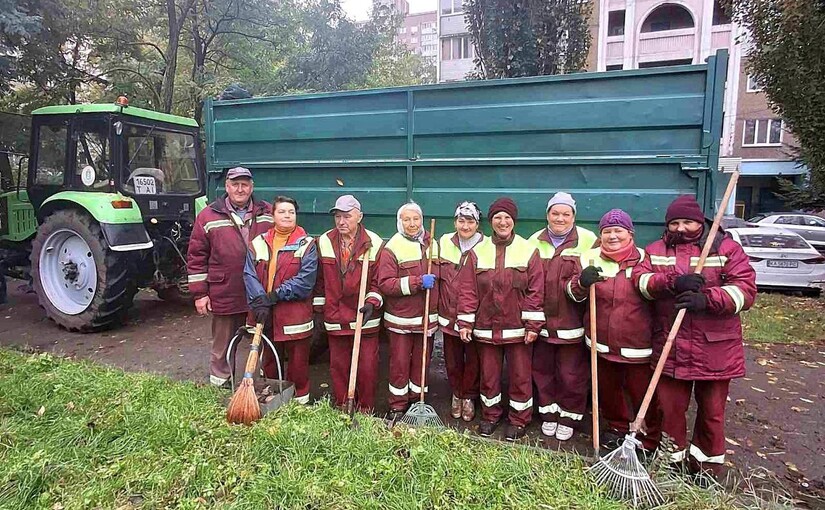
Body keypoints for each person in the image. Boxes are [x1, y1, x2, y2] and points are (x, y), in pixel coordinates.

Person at [632, 195, 756, 477]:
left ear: (700, 222)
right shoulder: (656, 250)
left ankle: (706, 468)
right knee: (669, 410)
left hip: (715, 349)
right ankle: (671, 463)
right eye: (674, 222)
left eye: (687, 222)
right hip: (672, 345)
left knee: (712, 413)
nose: (681, 228)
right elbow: (641, 281)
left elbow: (745, 291)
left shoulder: (725, 248)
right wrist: (672, 281)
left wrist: (707, 299)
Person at [566, 209, 660, 450]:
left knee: (642, 393)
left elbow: (657, 294)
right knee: (608, 391)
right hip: (601, 341)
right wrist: (581, 283)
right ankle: (617, 427)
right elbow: (572, 294)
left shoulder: (645, 258)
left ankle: (646, 438)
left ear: (630, 234)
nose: (612, 236)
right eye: (607, 231)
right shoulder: (589, 258)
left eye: (618, 231)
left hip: (637, 344)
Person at [457, 198, 544, 441]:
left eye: (507, 217)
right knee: (489, 376)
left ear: (513, 221)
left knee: (520, 377)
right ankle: (491, 415)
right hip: (486, 329)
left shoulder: (528, 250)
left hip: (518, 329)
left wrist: (533, 324)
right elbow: (468, 290)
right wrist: (465, 322)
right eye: (497, 217)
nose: (502, 222)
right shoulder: (477, 252)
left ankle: (518, 420)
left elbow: (536, 291)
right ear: (491, 222)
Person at [187, 166, 273, 387]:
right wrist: (200, 294)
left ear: (251, 187)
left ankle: (261, 382)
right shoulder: (208, 215)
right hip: (225, 289)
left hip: (258, 290)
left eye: (245, 184)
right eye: (235, 184)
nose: (240, 189)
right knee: (224, 341)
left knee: (262, 337)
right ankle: (221, 384)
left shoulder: (268, 213)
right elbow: (197, 255)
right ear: (227, 187)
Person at [529, 192, 597, 441]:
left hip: (573, 324)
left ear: (574, 216)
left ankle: (569, 416)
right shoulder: (534, 241)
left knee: (572, 375)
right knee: (543, 371)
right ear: (547, 215)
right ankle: (548, 413)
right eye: (555, 213)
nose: (560, 218)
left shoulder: (589, 240)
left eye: (565, 214)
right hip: (543, 323)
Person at [313, 195, 384, 412]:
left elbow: (379, 280)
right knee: (339, 366)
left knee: (367, 368)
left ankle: (365, 409)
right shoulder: (323, 241)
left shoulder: (375, 243)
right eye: (337, 216)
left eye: (347, 216)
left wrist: (372, 301)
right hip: (335, 316)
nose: (341, 221)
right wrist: (319, 309)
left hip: (364, 317)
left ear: (359, 217)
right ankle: (343, 405)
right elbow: (319, 281)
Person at [245, 196, 318, 405]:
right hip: (265, 314)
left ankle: (299, 404)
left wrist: (273, 296)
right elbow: (249, 274)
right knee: (269, 362)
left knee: (298, 365)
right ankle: (273, 402)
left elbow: (305, 281)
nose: (287, 215)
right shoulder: (258, 243)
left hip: (294, 317)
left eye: (291, 212)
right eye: (282, 211)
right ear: (273, 215)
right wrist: (259, 300)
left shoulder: (306, 244)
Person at [375, 202, 439, 420]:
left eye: (416, 219)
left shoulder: (433, 243)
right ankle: (397, 404)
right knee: (400, 364)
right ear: (399, 221)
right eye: (407, 219)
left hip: (426, 320)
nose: (412, 224)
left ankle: (417, 399)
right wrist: (418, 282)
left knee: (422, 362)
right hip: (401, 320)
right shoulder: (392, 248)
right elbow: (386, 284)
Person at [436, 201, 484, 422]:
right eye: (461, 221)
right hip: (448, 314)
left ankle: (469, 396)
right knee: (452, 359)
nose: (465, 226)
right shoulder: (444, 242)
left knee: (474, 359)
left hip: (475, 316)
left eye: (470, 222)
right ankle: (456, 393)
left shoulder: (486, 245)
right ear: (455, 222)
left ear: (477, 224)